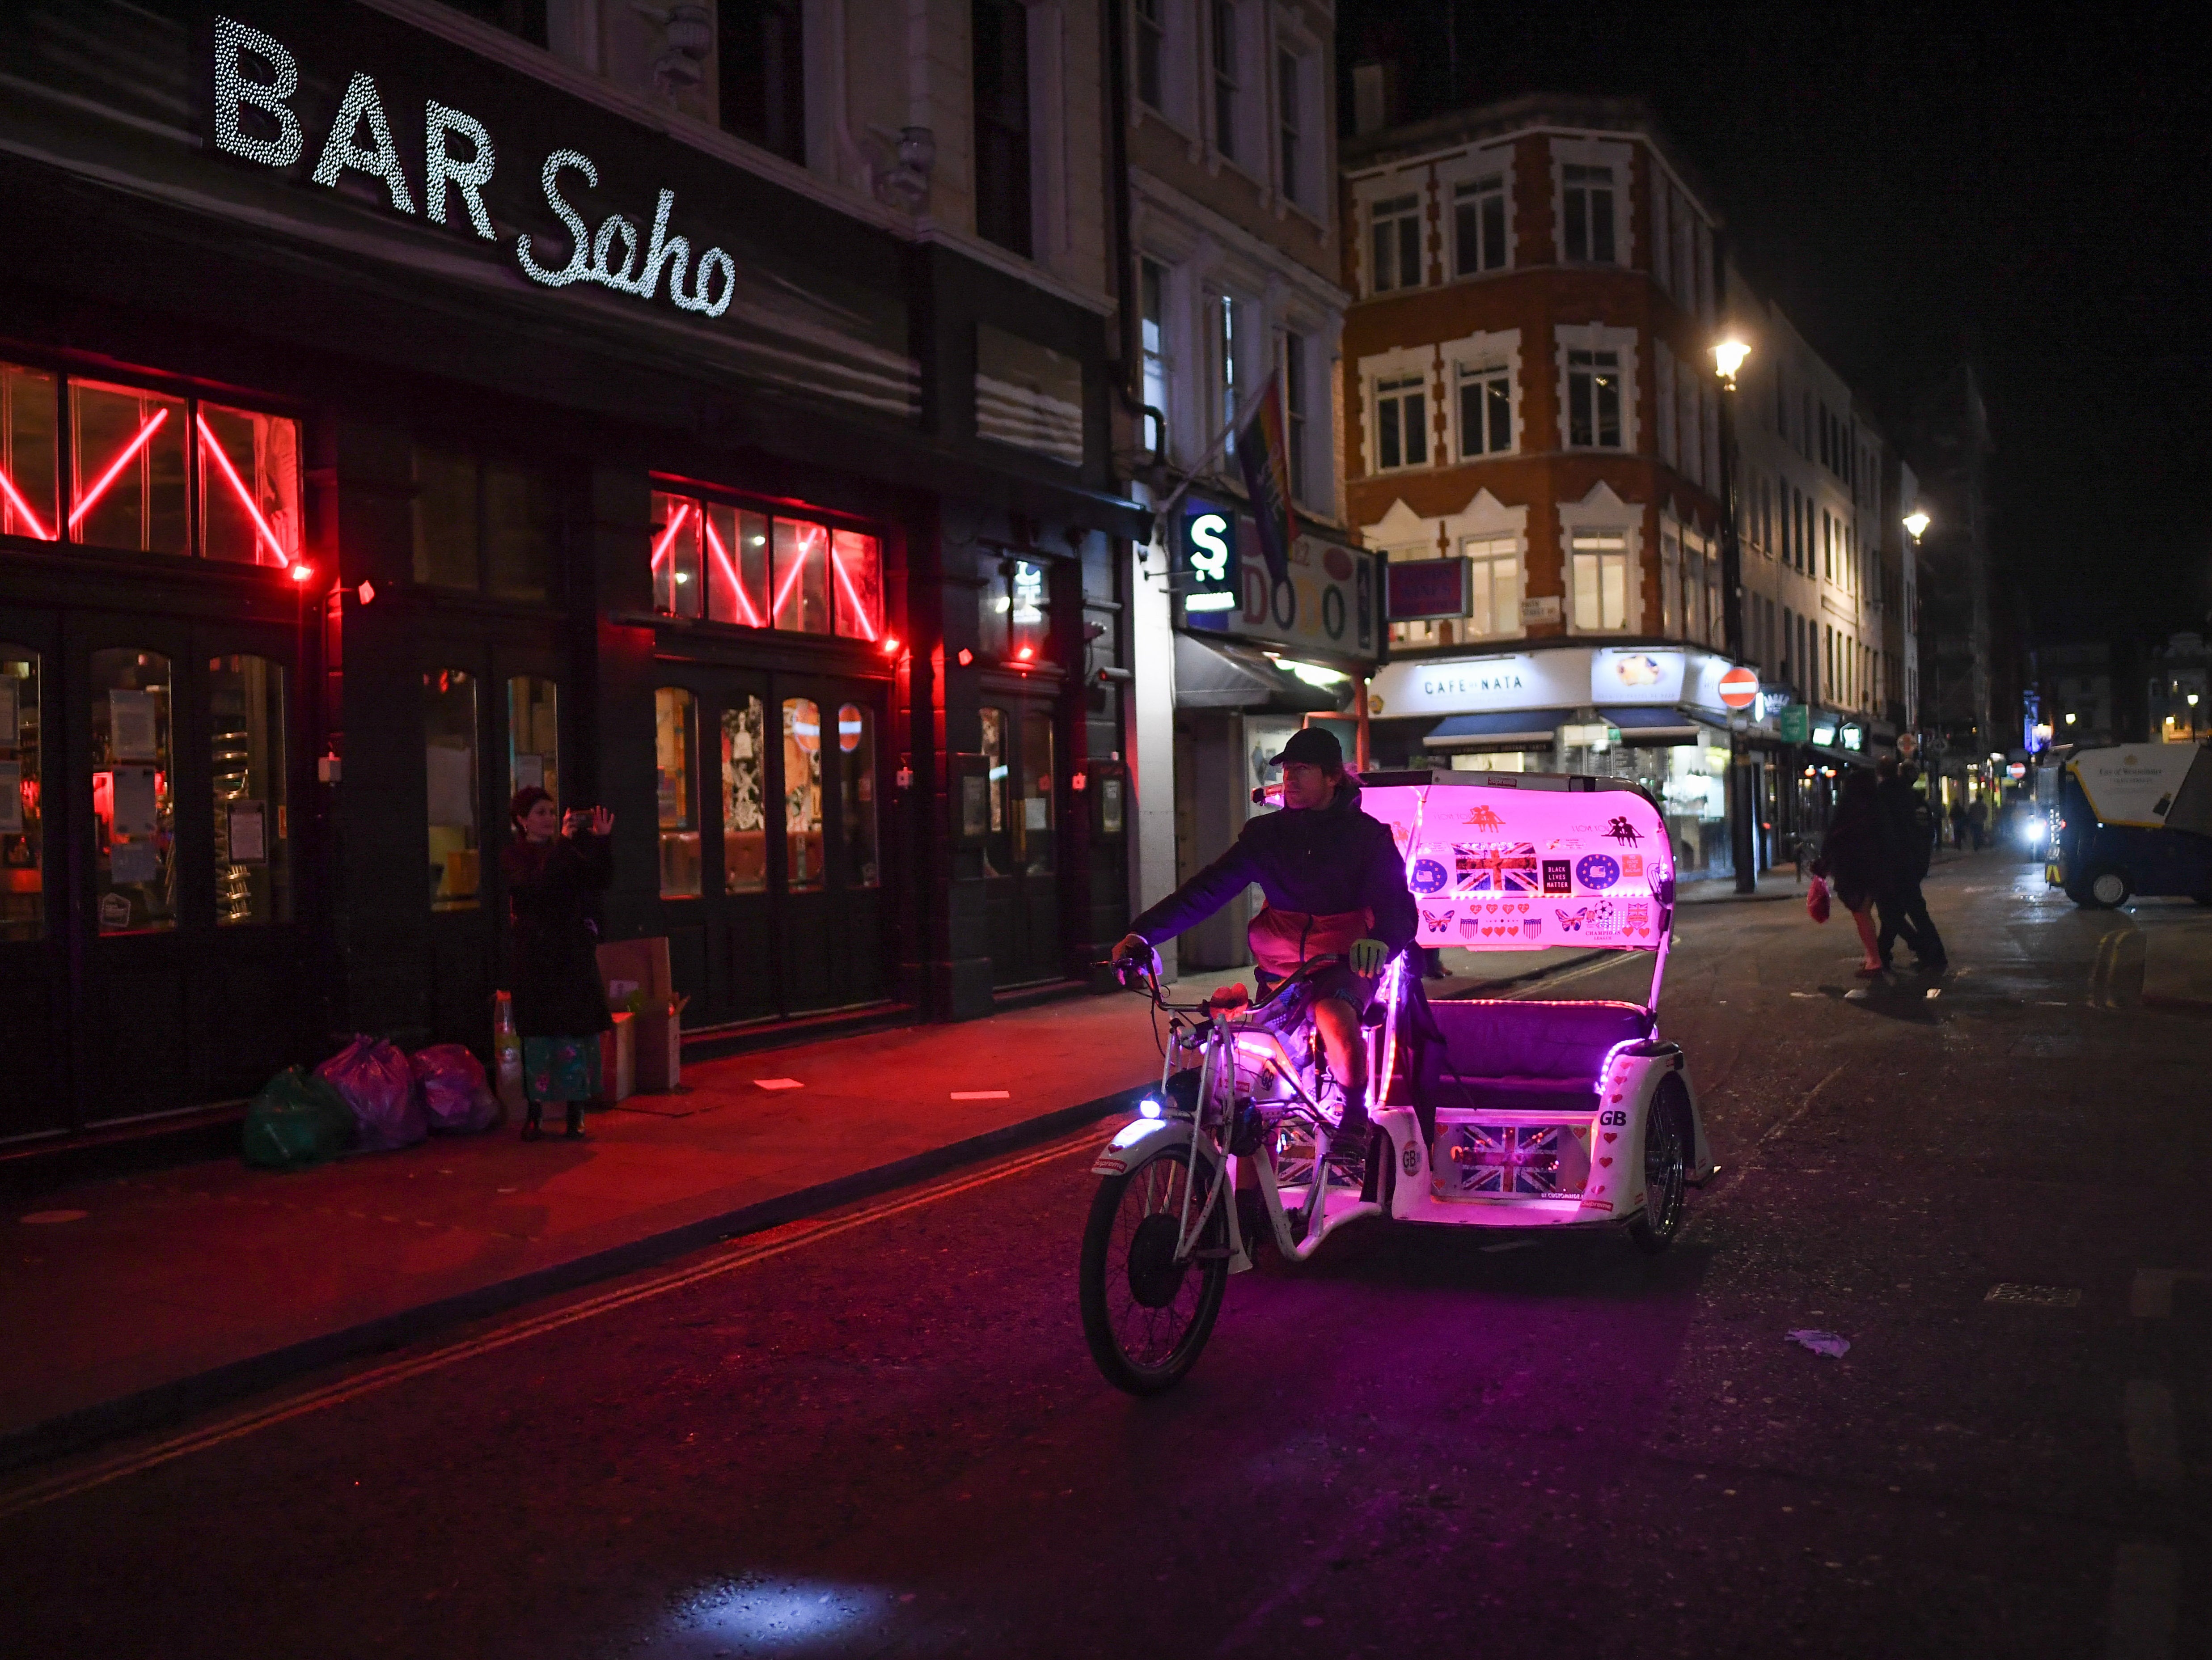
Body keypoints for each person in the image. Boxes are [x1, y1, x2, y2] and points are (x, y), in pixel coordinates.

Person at [1109, 728, 1416, 1167]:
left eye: (1302, 770)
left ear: (1333, 777)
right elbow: (1205, 892)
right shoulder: (1266, 835)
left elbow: (1398, 907)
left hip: (1342, 963)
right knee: (1246, 1082)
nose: (1290, 778)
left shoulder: (1368, 837)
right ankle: (1252, 1211)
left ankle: (1354, 1114)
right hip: (1280, 972)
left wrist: (1382, 942)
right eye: (1287, 769)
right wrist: (1142, 935)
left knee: (1332, 1013)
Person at [503, 787, 614, 1141]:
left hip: (570, 953)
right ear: (522, 821)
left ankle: (576, 1113)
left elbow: (598, 880)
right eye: (540, 813)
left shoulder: (565, 850)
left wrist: (601, 841)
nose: (549, 819)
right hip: (536, 955)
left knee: (576, 1030)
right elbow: (538, 885)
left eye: (552, 812)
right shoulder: (514, 856)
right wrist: (565, 844)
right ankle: (535, 1113)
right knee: (538, 1033)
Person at [1874, 755, 1947, 971]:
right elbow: (1927, 831)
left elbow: (1880, 832)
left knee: (1893, 911)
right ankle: (1884, 952)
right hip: (1912, 861)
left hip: (1893, 863)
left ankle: (1928, 949)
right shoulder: (1914, 797)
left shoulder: (1884, 796)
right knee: (1905, 909)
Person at [1813, 768, 1886, 976]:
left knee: (1861, 914)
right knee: (1865, 912)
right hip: (1874, 867)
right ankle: (1872, 957)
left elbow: (1835, 838)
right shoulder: (1877, 807)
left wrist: (1826, 861)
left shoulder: (1849, 809)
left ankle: (1874, 960)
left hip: (1853, 869)